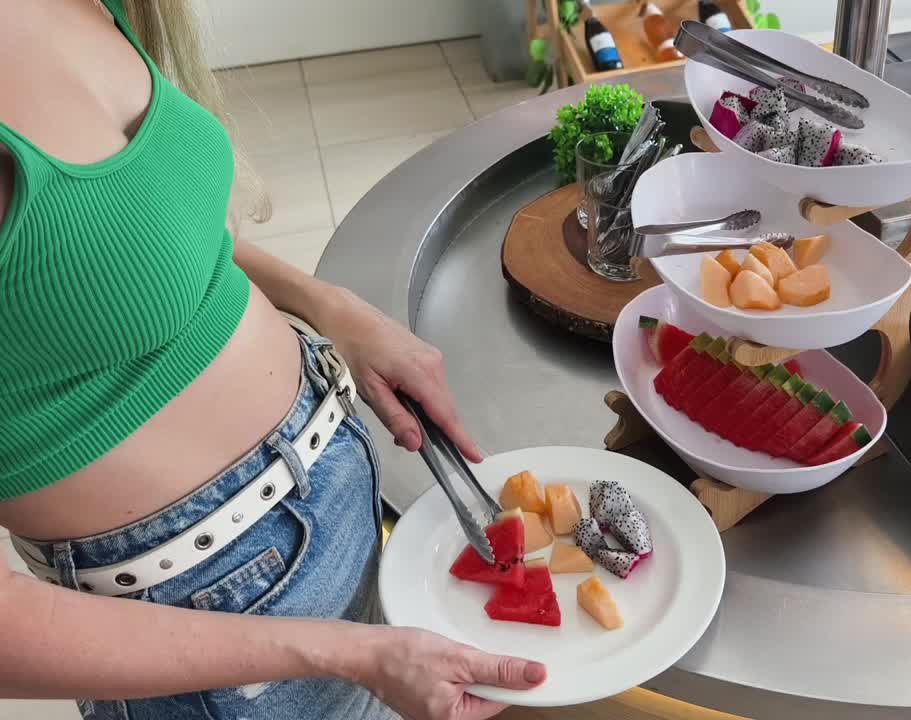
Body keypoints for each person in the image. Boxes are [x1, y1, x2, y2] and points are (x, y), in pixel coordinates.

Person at [0, 1, 544, 718]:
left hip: (332, 491)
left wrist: (330, 307)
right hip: (209, 622)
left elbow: (136, 238)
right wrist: (343, 651)